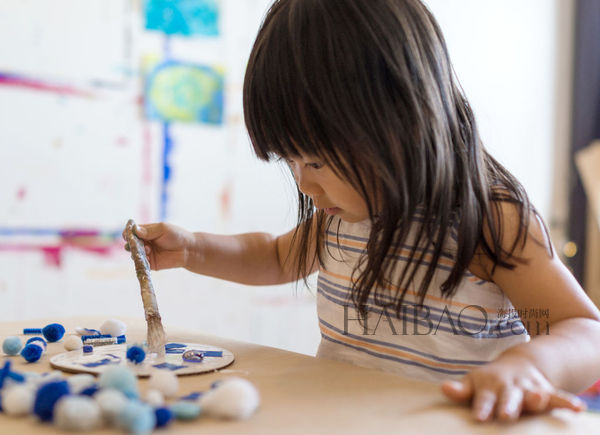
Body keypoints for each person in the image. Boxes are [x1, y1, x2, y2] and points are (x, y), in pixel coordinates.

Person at [124, 0, 600, 422]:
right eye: (291, 162)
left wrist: (529, 367)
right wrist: (192, 249)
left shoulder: (487, 219)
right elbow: (272, 256)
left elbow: (582, 331)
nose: (304, 182)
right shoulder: (341, 218)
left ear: (402, 121)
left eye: (314, 160)